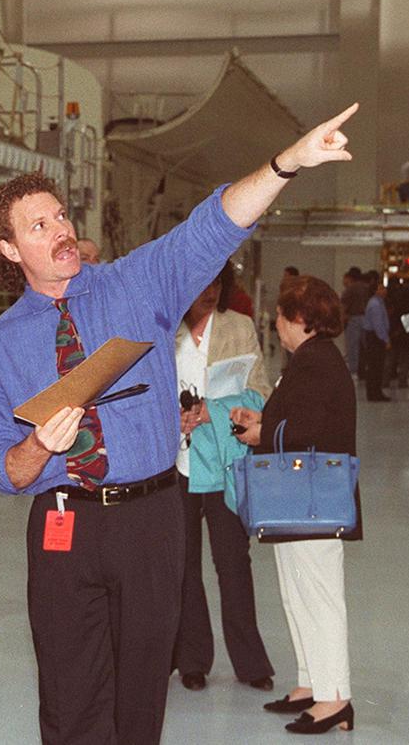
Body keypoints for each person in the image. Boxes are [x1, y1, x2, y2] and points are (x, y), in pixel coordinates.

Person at [0, 104, 359, 744]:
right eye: (40, 225)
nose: (61, 230)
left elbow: (212, 226)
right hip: (63, 522)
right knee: (69, 695)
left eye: (62, 214)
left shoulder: (134, 285)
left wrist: (288, 162)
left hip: (151, 519)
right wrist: (38, 445)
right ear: (11, 250)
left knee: (143, 691)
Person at [230, 276, 360, 736]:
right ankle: (311, 683)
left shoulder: (315, 362)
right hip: (300, 500)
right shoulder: (310, 360)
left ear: (301, 321)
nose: (278, 325)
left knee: (319, 598)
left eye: (282, 318)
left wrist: (261, 434)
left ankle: (335, 697)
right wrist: (262, 420)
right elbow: (299, 416)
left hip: (313, 500)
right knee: (297, 594)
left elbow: (311, 426)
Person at [171, 262, 275, 694]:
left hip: (224, 462)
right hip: (175, 464)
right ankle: (191, 659)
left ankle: (250, 663)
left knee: (233, 564)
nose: (210, 290)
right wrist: (174, 417)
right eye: (201, 282)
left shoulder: (240, 327)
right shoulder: (163, 329)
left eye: (216, 282)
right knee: (183, 567)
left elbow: (261, 392)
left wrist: (212, 410)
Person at [362, 272, 391, 401]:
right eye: (381, 288)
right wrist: (385, 339)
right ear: (375, 291)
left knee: (377, 366)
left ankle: (376, 392)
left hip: (375, 337)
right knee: (375, 367)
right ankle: (374, 393)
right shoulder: (375, 304)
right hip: (375, 338)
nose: (384, 290)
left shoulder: (379, 302)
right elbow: (378, 325)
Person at [340, 267, 371, 377]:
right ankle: (365, 368)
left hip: (354, 319)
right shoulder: (367, 287)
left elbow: (343, 306)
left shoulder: (350, 289)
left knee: (353, 346)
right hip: (367, 318)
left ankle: (353, 369)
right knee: (365, 345)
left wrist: (342, 321)